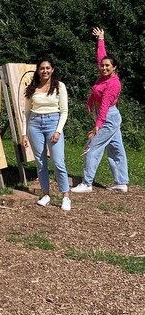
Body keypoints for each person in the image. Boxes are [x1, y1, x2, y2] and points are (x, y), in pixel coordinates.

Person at [71, 28, 129, 193]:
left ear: (114, 68)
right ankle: (121, 182)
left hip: (108, 117)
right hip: (110, 116)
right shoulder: (104, 77)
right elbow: (101, 56)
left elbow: (104, 106)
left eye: (107, 66)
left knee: (93, 146)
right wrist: (101, 39)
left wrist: (97, 124)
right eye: (102, 66)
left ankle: (86, 183)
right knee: (116, 148)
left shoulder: (113, 84)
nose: (103, 68)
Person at [21, 58, 71, 211]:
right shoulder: (32, 88)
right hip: (35, 124)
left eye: (48, 68)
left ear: (52, 70)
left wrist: (58, 131)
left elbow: (64, 111)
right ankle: (46, 194)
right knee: (40, 162)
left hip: (53, 123)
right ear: (38, 71)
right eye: (42, 68)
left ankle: (66, 196)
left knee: (58, 162)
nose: (45, 71)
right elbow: (27, 113)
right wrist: (24, 133)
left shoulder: (59, 86)